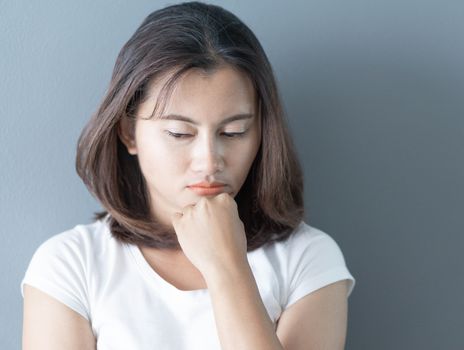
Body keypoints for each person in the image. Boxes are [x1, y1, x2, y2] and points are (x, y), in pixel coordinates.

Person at [20, 2, 356, 349]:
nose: (209, 161)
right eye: (180, 134)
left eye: (234, 132)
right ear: (129, 133)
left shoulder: (308, 259)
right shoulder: (70, 265)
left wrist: (227, 268)